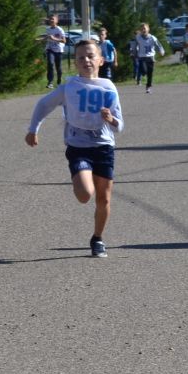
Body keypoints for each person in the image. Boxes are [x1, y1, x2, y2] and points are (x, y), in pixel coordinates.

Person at [26, 36, 125, 258]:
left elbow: (120, 126)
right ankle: (80, 180)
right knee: (84, 194)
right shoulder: (69, 87)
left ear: (101, 60)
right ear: (75, 63)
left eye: (90, 56)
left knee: (104, 198)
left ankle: (97, 238)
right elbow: (44, 104)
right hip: (78, 146)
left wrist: (111, 119)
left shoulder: (109, 87)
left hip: (104, 147)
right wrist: (33, 129)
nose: (86, 60)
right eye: (81, 57)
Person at [129, 23, 159, 93]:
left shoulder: (152, 38)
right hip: (142, 56)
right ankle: (143, 74)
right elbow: (134, 44)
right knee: (144, 71)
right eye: (142, 29)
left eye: (144, 28)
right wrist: (133, 52)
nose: (143, 30)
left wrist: (161, 51)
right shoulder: (138, 37)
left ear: (148, 29)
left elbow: (158, 45)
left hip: (150, 56)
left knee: (150, 73)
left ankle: (148, 86)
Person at [44, 13, 67, 88]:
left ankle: (59, 80)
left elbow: (64, 41)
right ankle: (50, 82)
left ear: (57, 21)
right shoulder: (48, 29)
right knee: (50, 64)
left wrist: (54, 39)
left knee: (58, 67)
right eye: (50, 19)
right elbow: (47, 37)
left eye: (53, 19)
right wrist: (39, 40)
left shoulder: (59, 29)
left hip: (58, 50)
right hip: (50, 49)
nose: (51, 20)